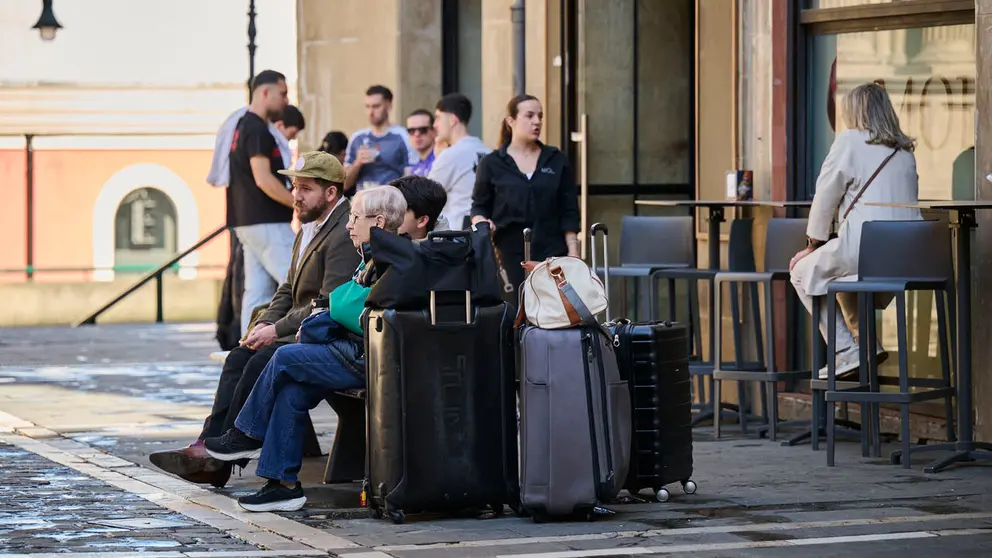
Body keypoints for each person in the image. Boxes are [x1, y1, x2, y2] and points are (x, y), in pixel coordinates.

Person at [149, 151, 359, 487]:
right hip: (294, 327)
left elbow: (326, 303)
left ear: (331, 193)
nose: (296, 196)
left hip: (322, 334)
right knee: (239, 356)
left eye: (305, 189)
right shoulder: (308, 224)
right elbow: (288, 288)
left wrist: (276, 330)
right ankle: (208, 445)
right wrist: (264, 324)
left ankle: (226, 450)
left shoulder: (342, 231)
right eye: (294, 187)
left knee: (261, 358)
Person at [203, 186, 412, 512]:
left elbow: (352, 310)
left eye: (355, 218)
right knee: (292, 389)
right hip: (352, 349)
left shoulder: (394, 257)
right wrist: (342, 304)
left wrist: (342, 303)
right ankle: (284, 485)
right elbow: (343, 303)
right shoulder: (372, 256)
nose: (348, 224)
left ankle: (246, 435)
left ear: (380, 221)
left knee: (283, 356)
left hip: (367, 357)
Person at [789, 82, 921, 381]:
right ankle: (865, 346)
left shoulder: (850, 141)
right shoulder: (904, 152)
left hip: (866, 247)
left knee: (801, 271)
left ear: (856, 112)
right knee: (838, 279)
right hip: (909, 255)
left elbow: (826, 195)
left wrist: (813, 243)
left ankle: (846, 351)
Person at [210, 104, 306, 346]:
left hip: (246, 221)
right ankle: (302, 339)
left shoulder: (242, 127)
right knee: (298, 279)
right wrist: (298, 204)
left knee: (256, 291)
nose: (292, 141)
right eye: (292, 134)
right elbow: (264, 180)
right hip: (266, 220)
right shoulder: (258, 130)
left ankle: (247, 343)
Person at [471, 94, 580, 298]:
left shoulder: (556, 160)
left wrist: (573, 252)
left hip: (552, 249)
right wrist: (482, 223)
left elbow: (569, 209)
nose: (537, 122)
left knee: (553, 311)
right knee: (515, 310)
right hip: (509, 252)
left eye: (540, 116)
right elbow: (479, 206)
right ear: (511, 121)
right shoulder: (492, 163)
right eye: (529, 116)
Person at [429, 93, 491, 230]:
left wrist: (439, 157)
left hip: (456, 235)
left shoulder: (450, 155)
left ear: (452, 120)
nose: (435, 125)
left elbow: (426, 195)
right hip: (483, 231)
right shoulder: (488, 152)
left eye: (438, 118)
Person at [343, 85, 418, 194]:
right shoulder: (357, 138)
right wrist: (357, 163)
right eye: (367, 107)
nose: (371, 112)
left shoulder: (403, 136)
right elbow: (344, 184)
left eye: (376, 106)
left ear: (389, 105)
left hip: (392, 202)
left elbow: (412, 175)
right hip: (362, 203)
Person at [407, 109, 437, 176]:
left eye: (423, 130)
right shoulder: (415, 169)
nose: (417, 134)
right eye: (411, 131)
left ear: (434, 131)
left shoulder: (441, 161)